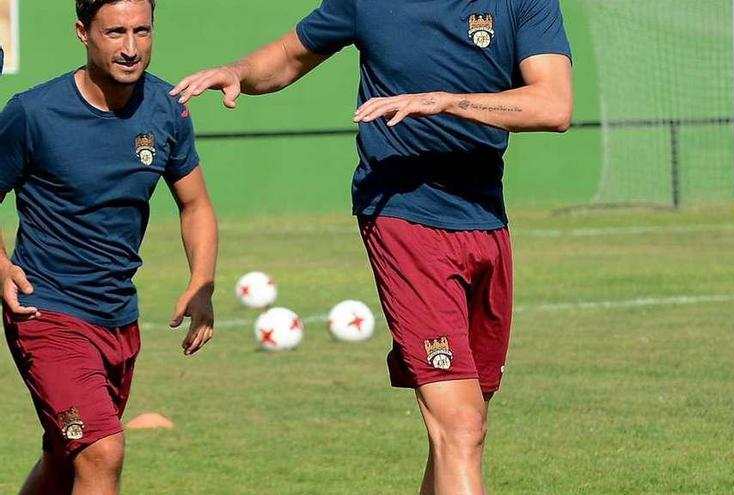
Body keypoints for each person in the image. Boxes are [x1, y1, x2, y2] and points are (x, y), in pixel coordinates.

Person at [173, 0, 571, 492]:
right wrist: (238, 71)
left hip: (485, 219)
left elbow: (554, 105)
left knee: (465, 427)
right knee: (460, 426)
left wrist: (446, 100)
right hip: (403, 217)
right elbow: (287, 56)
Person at [0, 0, 218, 493]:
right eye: (115, 32)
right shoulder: (32, 113)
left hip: (117, 317)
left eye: (142, 31)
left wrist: (202, 282)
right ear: (83, 32)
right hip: (47, 312)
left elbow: (196, 205)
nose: (130, 48)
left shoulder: (167, 107)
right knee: (102, 450)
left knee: (64, 459)